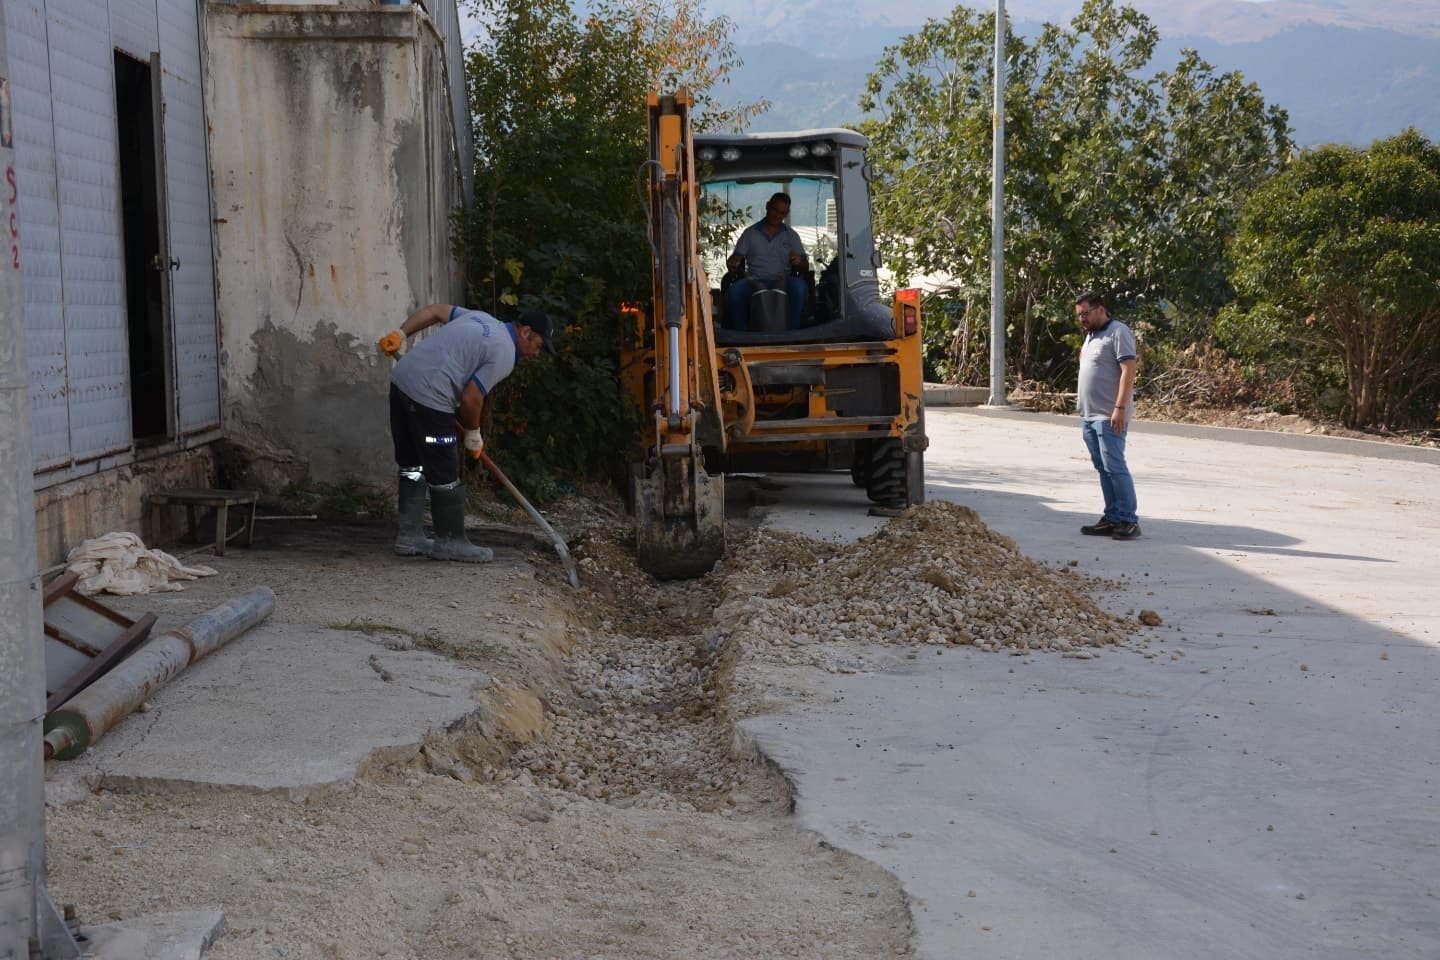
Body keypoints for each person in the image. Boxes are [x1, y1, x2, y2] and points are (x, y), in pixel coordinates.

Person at [377, 305, 556, 562]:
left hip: (402, 384)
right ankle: (450, 541)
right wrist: (473, 433)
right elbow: (472, 398)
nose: (537, 353)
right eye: (539, 345)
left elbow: (435, 311)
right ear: (526, 332)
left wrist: (401, 334)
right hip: (430, 400)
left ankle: (409, 536)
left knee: (413, 463)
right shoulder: (504, 352)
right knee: (444, 466)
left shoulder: (481, 318)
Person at [1074, 291, 1141, 540]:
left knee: (1115, 466)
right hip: (1089, 415)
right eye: (1079, 315)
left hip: (1109, 414)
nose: (1082, 319)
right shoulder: (1091, 336)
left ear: (1100, 309)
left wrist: (1120, 408)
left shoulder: (1118, 332)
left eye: (1086, 313)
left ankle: (1128, 519)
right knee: (1103, 468)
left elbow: (1128, 371)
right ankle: (1112, 517)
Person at [724, 193, 809, 330]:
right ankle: (744, 337)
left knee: (799, 287)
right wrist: (732, 262)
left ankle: (794, 333)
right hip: (754, 281)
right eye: (774, 210)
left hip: (783, 280)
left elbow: (805, 266)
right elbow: (734, 260)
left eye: (782, 213)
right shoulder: (750, 233)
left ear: (786, 214)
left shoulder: (791, 235)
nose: (777, 216)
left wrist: (800, 262)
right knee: (734, 292)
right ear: (767, 206)